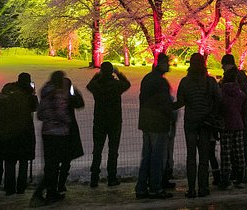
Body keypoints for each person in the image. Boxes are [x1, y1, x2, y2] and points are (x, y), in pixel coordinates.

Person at [33, 72, 84, 206]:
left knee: (51, 165)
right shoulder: (60, 95)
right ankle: (44, 193)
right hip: (59, 134)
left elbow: (40, 114)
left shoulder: (45, 93)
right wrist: (66, 120)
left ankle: (50, 193)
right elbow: (63, 112)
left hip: (47, 133)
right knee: (55, 165)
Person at [176, 53, 221, 198]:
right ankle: (203, 187)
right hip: (206, 123)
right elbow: (218, 100)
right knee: (203, 156)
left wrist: (165, 106)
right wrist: (212, 114)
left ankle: (191, 189)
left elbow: (181, 102)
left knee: (191, 156)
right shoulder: (210, 82)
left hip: (190, 122)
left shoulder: (185, 82)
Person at [0, 72, 38, 195]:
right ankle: (21, 187)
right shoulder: (28, 93)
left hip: (8, 132)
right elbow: (34, 107)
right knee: (23, 162)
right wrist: (33, 94)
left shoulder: (8, 91)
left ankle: (9, 187)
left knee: (10, 161)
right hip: (24, 132)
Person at [135, 53, 175, 199]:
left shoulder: (147, 78)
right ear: (160, 63)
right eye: (167, 63)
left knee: (147, 156)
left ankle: (141, 187)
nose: (169, 65)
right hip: (158, 123)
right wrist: (171, 114)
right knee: (157, 157)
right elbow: (164, 103)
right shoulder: (160, 82)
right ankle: (155, 188)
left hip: (146, 121)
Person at [86, 61, 131, 187]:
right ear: (111, 71)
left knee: (97, 150)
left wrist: (97, 76)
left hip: (100, 120)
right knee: (113, 150)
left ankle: (94, 178)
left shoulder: (96, 86)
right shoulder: (116, 85)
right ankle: (112, 177)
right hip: (114, 121)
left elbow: (89, 86)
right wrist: (119, 73)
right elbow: (127, 84)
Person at [220, 54, 247, 182]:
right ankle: (244, 171)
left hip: (238, 117)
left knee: (240, 145)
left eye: (223, 65)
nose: (222, 68)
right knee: (241, 145)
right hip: (242, 116)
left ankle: (244, 172)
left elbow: (240, 97)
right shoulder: (242, 76)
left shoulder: (233, 77)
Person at [219, 67, 247, 188]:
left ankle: (225, 179)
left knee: (226, 153)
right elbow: (244, 110)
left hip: (226, 126)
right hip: (238, 125)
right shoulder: (240, 94)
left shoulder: (221, 93)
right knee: (239, 152)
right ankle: (240, 178)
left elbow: (219, 108)